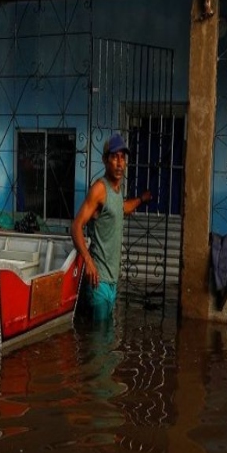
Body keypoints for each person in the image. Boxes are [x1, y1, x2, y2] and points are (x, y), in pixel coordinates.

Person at [71, 133, 151, 321]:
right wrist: (88, 261)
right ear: (105, 160)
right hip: (98, 281)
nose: (119, 162)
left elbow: (121, 208)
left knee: (104, 342)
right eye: (114, 157)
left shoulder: (116, 191)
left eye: (122, 158)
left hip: (111, 281)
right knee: (98, 343)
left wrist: (141, 199)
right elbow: (76, 227)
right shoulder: (100, 189)